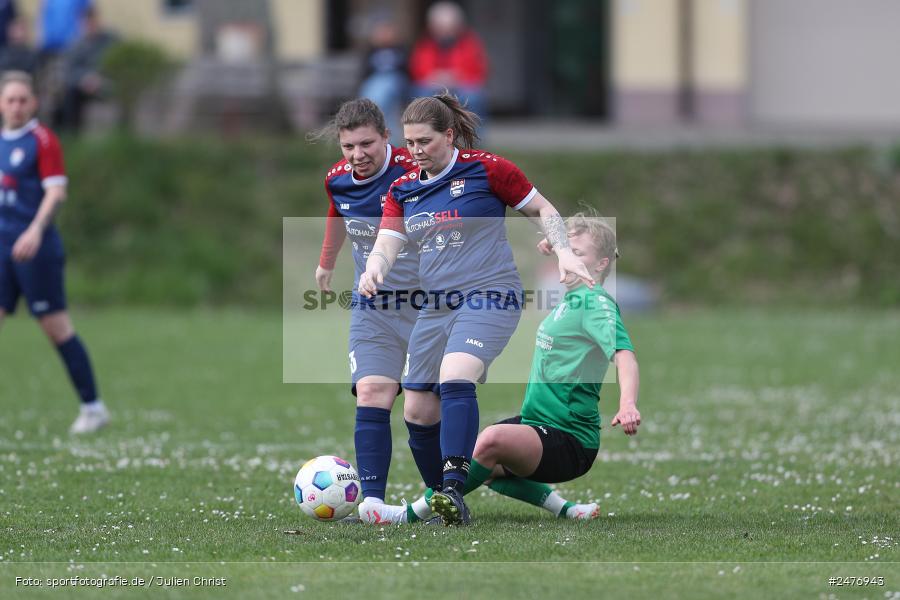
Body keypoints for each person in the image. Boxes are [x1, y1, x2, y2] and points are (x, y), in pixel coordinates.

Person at [357, 92, 594, 526]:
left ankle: (452, 488)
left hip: (491, 294)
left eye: (424, 141)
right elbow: (387, 243)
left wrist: (562, 251)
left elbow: (543, 209)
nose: (415, 151)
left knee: (455, 375)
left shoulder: (488, 169)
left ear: (449, 136)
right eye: (409, 142)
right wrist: (373, 269)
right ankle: (443, 504)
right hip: (436, 306)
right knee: (417, 410)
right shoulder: (404, 188)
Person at [361, 213, 640, 524]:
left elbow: (624, 355)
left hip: (571, 439)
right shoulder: (572, 298)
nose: (567, 258)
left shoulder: (595, 303)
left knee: (489, 442)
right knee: (480, 459)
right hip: (538, 421)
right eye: (567, 250)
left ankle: (408, 515)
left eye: (579, 254)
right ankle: (569, 510)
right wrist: (558, 242)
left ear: (601, 265)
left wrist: (627, 403)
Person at [312, 98, 444, 517]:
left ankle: (442, 494)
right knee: (371, 392)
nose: (357, 155)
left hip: (428, 306)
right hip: (374, 306)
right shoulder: (338, 178)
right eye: (348, 146)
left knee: (421, 409)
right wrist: (325, 263)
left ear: (387, 137)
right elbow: (338, 213)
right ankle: (372, 502)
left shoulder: (416, 170)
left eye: (366, 144)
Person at [0, 70, 107, 434]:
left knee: (55, 328)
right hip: (2, 248)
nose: (16, 106)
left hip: (36, 250)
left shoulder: (42, 140)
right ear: (1, 103)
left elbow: (56, 192)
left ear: (33, 103)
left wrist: (34, 230)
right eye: (10, 100)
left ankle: (93, 407)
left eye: (22, 100)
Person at [408, 2, 488, 124]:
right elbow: (417, 70)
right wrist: (435, 77)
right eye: (441, 27)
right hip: (432, 87)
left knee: (475, 96)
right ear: (432, 26)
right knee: (420, 95)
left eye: (450, 26)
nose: (445, 31)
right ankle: (426, 136)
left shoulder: (470, 43)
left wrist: (457, 77)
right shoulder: (425, 44)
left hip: (461, 87)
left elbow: (479, 70)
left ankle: (475, 139)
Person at [56, 5, 117, 132]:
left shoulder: (110, 41)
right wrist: (84, 79)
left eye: (92, 22)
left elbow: (116, 63)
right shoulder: (75, 45)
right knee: (69, 94)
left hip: (106, 85)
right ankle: (72, 133)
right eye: (86, 23)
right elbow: (69, 70)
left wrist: (99, 79)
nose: (89, 26)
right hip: (83, 87)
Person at [359, 18, 408, 147]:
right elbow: (364, 74)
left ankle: (377, 128)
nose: (384, 35)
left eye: (387, 32)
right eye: (381, 32)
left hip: (395, 85)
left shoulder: (401, 50)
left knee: (385, 86)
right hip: (374, 85)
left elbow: (407, 72)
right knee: (378, 88)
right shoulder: (370, 51)